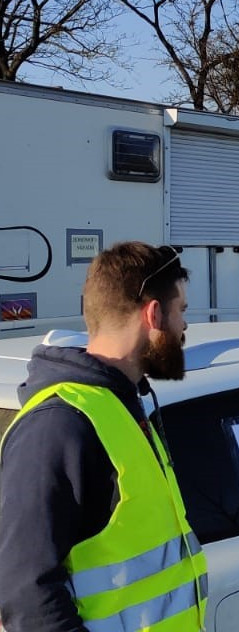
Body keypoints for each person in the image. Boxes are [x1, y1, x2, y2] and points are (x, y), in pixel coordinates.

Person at [0, 242, 207, 631]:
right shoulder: (60, 424)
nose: (184, 328)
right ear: (154, 313)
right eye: (181, 311)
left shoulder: (123, 405)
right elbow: (26, 596)